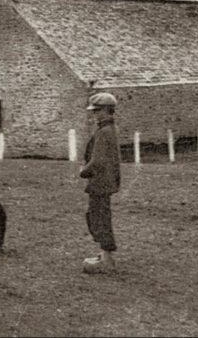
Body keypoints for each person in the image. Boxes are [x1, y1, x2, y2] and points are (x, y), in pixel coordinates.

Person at [79, 92, 122, 274]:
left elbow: (97, 161)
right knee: (98, 216)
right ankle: (105, 255)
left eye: (98, 111)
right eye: (94, 111)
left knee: (99, 218)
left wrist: (83, 171)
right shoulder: (108, 129)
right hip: (104, 181)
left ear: (108, 111)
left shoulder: (104, 132)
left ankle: (106, 259)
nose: (95, 115)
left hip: (100, 182)